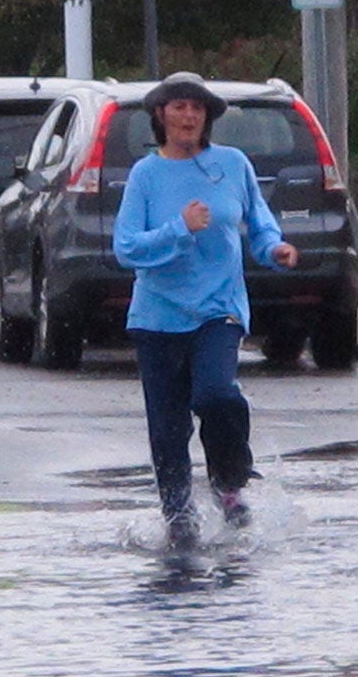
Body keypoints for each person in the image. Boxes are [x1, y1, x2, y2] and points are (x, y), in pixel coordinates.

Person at [112, 72, 299, 550]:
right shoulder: (146, 175)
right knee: (168, 430)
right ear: (161, 115)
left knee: (217, 395)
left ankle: (230, 483)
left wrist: (274, 248)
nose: (189, 115)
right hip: (157, 318)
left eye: (197, 108)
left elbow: (258, 223)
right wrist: (180, 227)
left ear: (208, 117)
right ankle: (179, 520)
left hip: (219, 309)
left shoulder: (232, 164)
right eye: (179, 107)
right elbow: (127, 247)